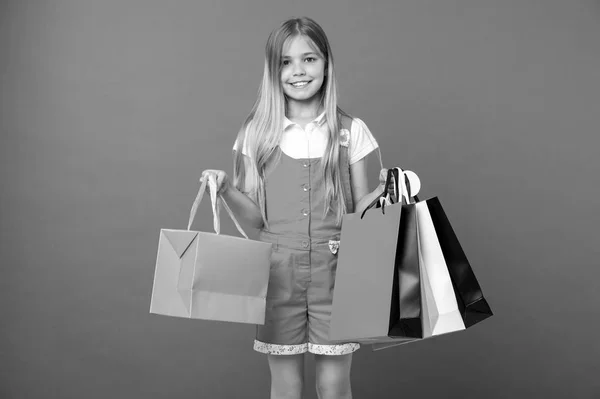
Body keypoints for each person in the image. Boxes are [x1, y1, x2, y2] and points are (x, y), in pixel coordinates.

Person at [200, 17, 393, 399]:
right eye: (286, 62)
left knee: (334, 386)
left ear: (326, 64)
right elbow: (256, 217)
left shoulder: (350, 130)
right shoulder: (256, 132)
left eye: (309, 59)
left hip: (337, 271)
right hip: (278, 272)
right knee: (286, 386)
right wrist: (224, 189)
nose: (298, 71)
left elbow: (357, 214)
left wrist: (385, 193)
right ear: (274, 70)